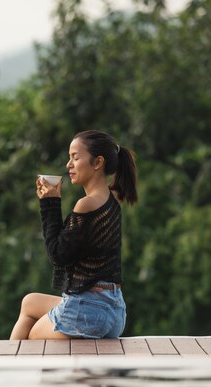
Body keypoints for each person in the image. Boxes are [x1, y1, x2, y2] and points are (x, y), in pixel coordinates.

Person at [9, 130, 138, 340]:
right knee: (29, 302)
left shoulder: (86, 204)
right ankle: (10, 366)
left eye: (75, 158)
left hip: (90, 311)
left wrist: (49, 203)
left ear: (98, 162)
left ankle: (8, 369)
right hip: (114, 310)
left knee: (32, 338)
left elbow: (58, 255)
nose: (69, 164)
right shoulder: (111, 203)